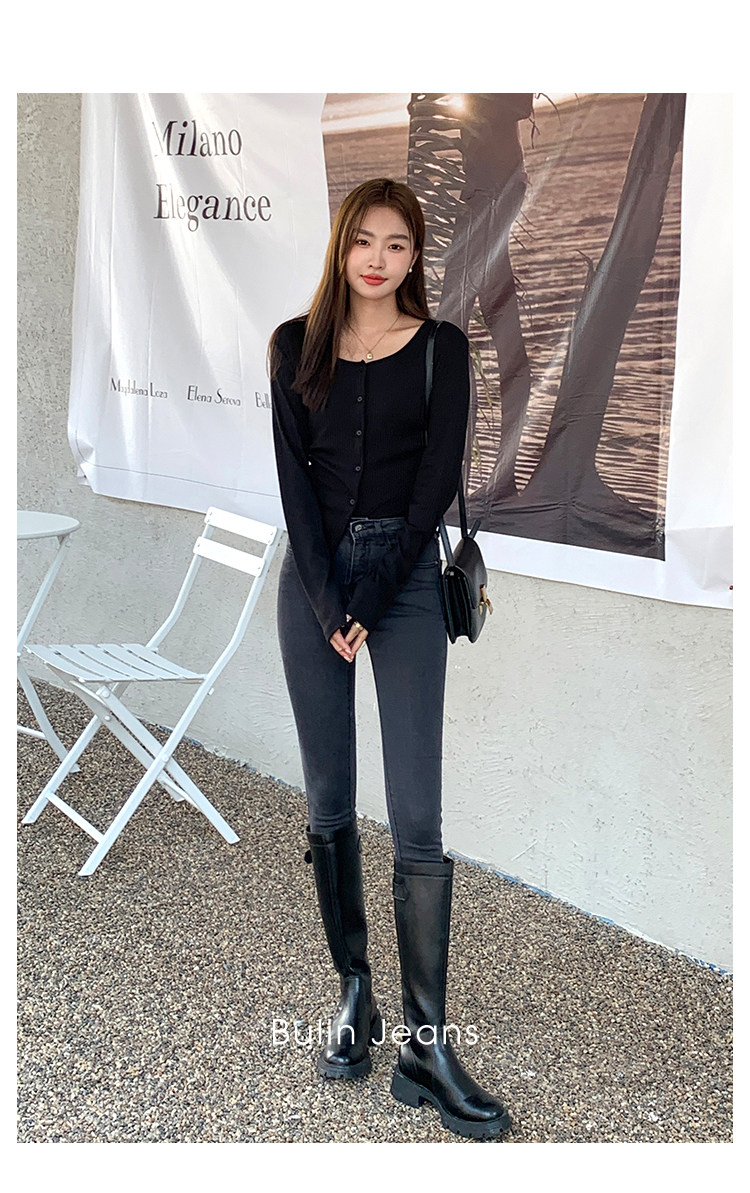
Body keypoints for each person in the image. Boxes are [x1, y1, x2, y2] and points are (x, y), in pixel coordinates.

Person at [267, 178, 511, 1140]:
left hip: (402, 585)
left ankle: (427, 1044)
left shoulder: (443, 349)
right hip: (313, 583)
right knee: (328, 801)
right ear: (342, 244)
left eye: (398, 244)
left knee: (417, 813)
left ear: (416, 256)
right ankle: (356, 992)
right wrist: (331, 600)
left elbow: (433, 484)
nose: (378, 259)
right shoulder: (294, 345)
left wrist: (368, 601)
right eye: (364, 240)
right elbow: (294, 487)